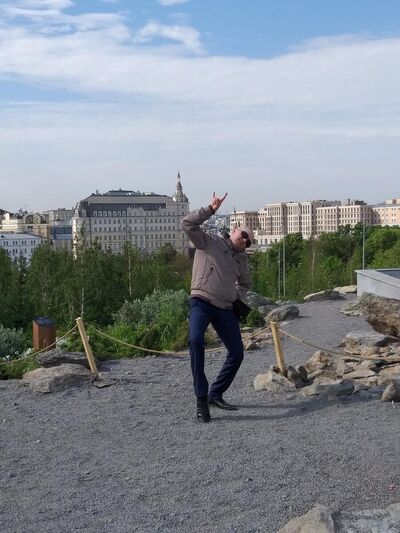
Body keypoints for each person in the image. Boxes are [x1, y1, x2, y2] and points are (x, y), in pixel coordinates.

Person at [182, 192, 254, 422]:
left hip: (225, 307)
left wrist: (235, 295)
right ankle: (201, 399)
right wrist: (210, 209)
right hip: (201, 301)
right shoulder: (209, 241)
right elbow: (187, 223)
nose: (244, 241)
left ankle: (216, 394)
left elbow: (246, 284)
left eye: (248, 241)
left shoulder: (241, 260)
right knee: (195, 340)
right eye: (243, 235)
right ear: (234, 230)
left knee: (237, 353)